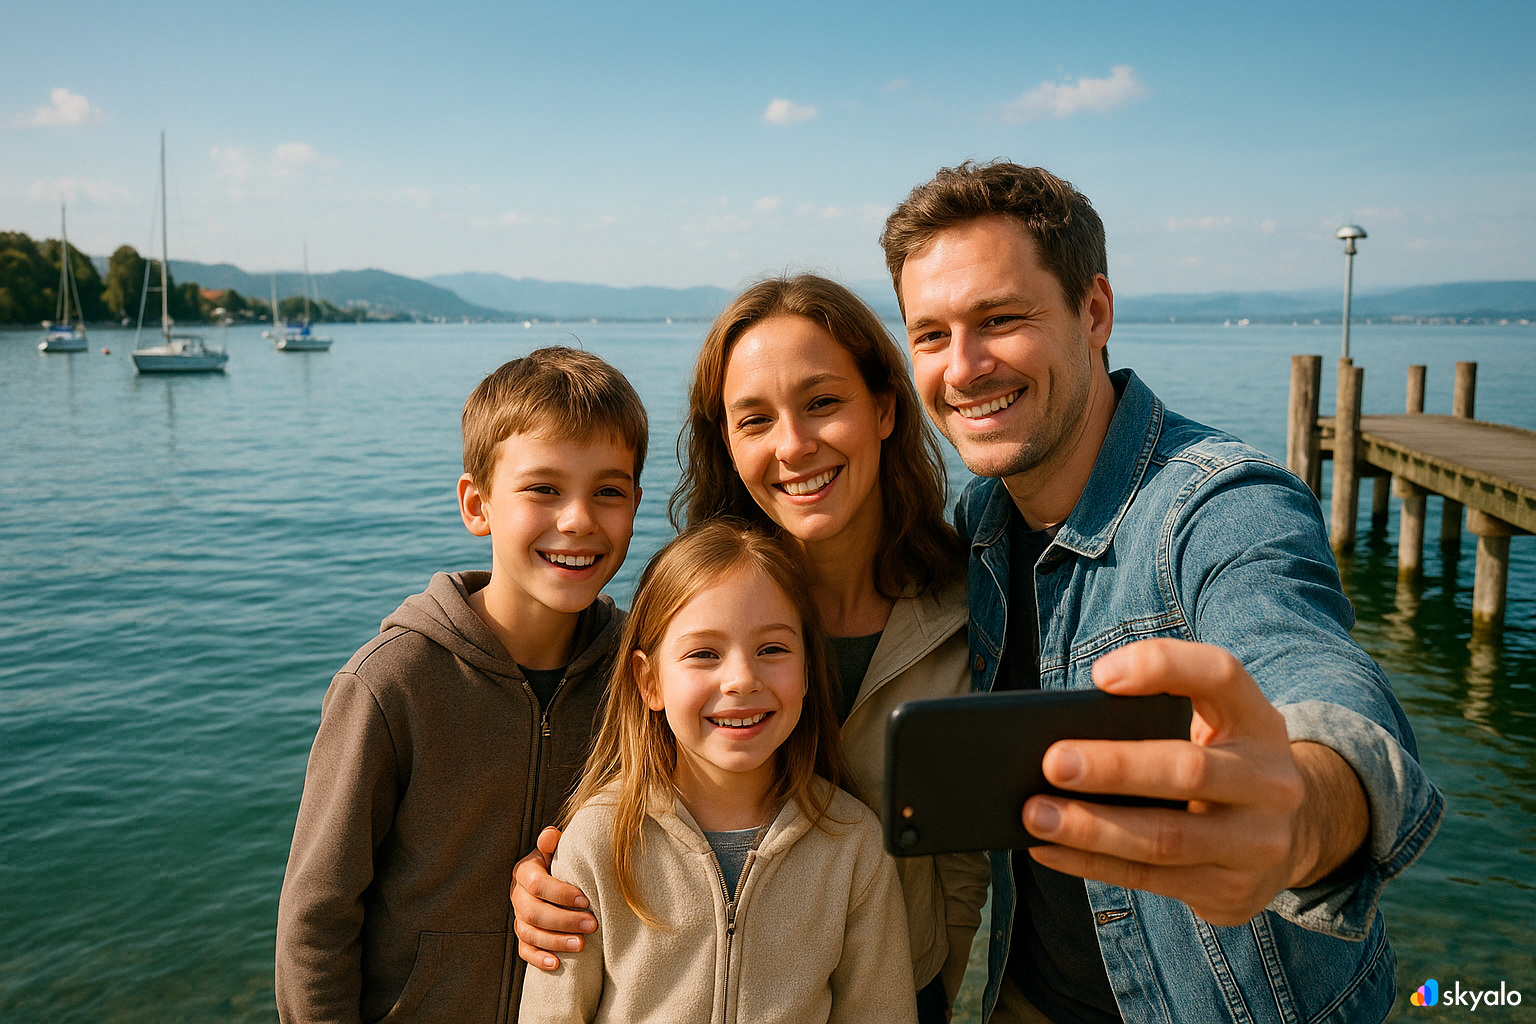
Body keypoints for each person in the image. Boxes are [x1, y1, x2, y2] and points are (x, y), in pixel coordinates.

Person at [881, 161, 1444, 1023]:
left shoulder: (1218, 505)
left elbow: (1306, 664)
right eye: (930, 335)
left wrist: (1300, 814)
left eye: (1001, 319)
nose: (963, 368)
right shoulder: (984, 517)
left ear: (1094, 312)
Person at [513, 276, 990, 1022]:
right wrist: (541, 877)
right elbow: (618, 784)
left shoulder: (973, 612)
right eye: (754, 419)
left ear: (886, 408)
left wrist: (937, 973)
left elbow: (966, 848)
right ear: (726, 444)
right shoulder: (687, 614)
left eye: (823, 402)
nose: (794, 446)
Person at [275, 347, 647, 1024]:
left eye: (609, 491)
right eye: (543, 489)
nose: (578, 519)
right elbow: (316, 923)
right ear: (477, 504)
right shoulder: (393, 684)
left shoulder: (640, 676)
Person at [518, 520, 919, 1024]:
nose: (741, 680)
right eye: (704, 654)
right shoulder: (600, 841)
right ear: (650, 682)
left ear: (808, 671)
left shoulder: (852, 843)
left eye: (772, 650)